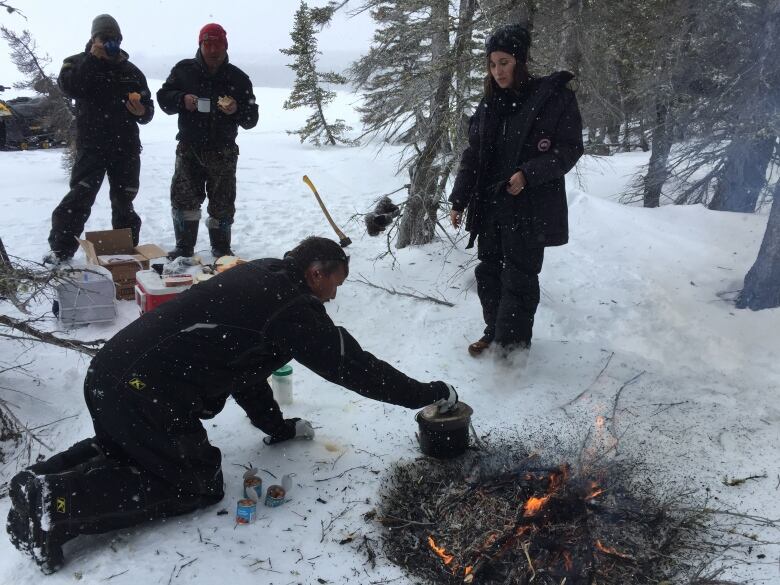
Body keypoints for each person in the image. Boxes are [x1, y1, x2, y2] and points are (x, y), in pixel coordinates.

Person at [6, 236, 458, 573]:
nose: (334, 295)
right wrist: (426, 394)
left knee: (132, 449)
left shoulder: (263, 274)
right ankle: (57, 502)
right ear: (316, 273)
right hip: (144, 390)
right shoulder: (292, 310)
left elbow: (245, 363)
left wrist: (275, 426)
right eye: (335, 283)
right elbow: (356, 368)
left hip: (115, 374)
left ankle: (39, 479)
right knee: (194, 484)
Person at [448, 24, 583, 358]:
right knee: (489, 272)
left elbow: (569, 149)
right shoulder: (490, 104)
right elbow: (473, 155)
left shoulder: (553, 98)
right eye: (492, 64)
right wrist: (459, 199)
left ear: (520, 61)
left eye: (504, 62)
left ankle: (513, 347)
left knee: (520, 277)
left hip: (530, 206)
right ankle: (493, 334)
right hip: (491, 205)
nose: (498, 71)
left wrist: (527, 173)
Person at [44, 14, 154, 265]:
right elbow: (70, 87)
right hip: (91, 146)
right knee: (79, 198)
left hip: (125, 146)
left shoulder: (131, 71)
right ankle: (61, 251)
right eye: (105, 39)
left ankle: (125, 250)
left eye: (115, 39)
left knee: (124, 200)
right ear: (93, 38)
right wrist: (94, 59)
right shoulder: (76, 63)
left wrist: (141, 111)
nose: (110, 44)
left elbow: (148, 110)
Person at [157, 23, 259, 260]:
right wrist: (182, 99)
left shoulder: (238, 78)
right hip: (189, 149)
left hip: (223, 152)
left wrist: (236, 109)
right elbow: (163, 99)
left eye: (218, 45)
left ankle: (221, 249)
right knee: (184, 201)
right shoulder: (183, 71)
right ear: (200, 45)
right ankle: (184, 248)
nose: (213, 50)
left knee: (222, 203)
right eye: (208, 44)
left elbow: (251, 118)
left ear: (225, 46)